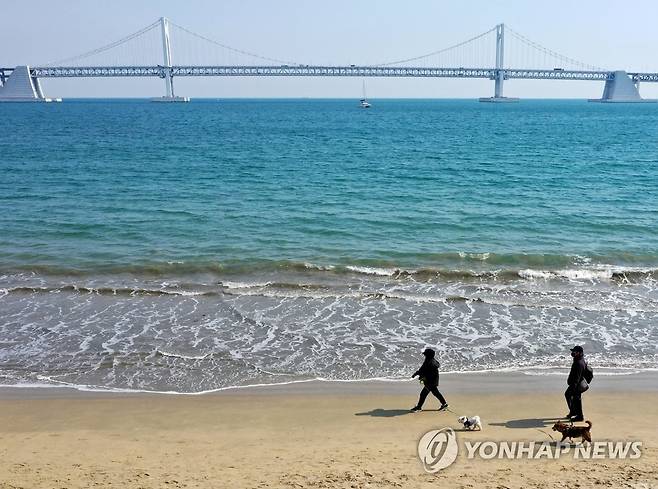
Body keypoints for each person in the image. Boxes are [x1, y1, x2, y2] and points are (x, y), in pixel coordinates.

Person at [411, 348, 449, 412]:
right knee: (436, 393)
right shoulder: (432, 361)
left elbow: (422, 370)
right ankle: (444, 404)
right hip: (434, 380)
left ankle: (419, 407)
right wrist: (419, 375)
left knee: (423, 394)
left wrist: (416, 374)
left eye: (425, 354)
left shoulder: (428, 362)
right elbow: (423, 370)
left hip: (430, 382)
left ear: (428, 355)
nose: (424, 355)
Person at [565, 345, 587, 422]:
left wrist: (573, 387)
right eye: (572, 351)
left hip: (576, 384)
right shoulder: (579, 359)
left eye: (574, 352)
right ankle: (573, 411)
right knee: (572, 397)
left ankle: (580, 416)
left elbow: (577, 377)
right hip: (576, 383)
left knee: (576, 399)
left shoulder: (579, 363)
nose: (572, 353)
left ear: (579, 353)